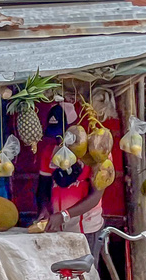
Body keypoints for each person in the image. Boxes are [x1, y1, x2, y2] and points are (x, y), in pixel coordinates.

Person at [36, 104, 104, 256]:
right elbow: (43, 188)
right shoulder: (50, 152)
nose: (59, 140)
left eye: (63, 134)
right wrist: (44, 209)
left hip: (86, 229)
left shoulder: (93, 153)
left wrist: (64, 215)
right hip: (57, 228)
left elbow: (96, 196)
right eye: (56, 135)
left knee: (85, 276)